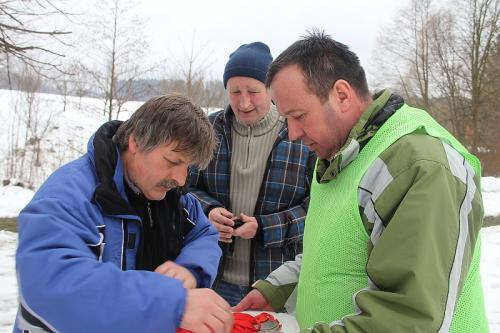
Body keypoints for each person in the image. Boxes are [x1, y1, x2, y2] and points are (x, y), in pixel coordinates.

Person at [234, 31, 489, 332]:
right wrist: (276, 289)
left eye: (299, 115)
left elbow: (409, 317)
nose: (292, 133)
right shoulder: (341, 156)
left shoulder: (419, 165)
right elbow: (334, 251)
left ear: (342, 94)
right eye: (286, 118)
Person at [14, 94, 233, 333]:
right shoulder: (69, 197)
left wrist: (191, 269)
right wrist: (171, 304)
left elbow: (203, 234)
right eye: (172, 161)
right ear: (136, 141)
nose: (181, 180)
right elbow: (49, 285)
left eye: (187, 167)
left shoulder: (176, 199)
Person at [188, 42, 316, 306]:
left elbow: (317, 208)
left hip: (275, 285)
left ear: (271, 90)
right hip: (213, 279)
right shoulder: (207, 130)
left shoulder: (300, 134)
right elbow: (181, 188)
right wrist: (208, 211)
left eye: (253, 91)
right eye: (234, 91)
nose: (243, 102)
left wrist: (263, 228)